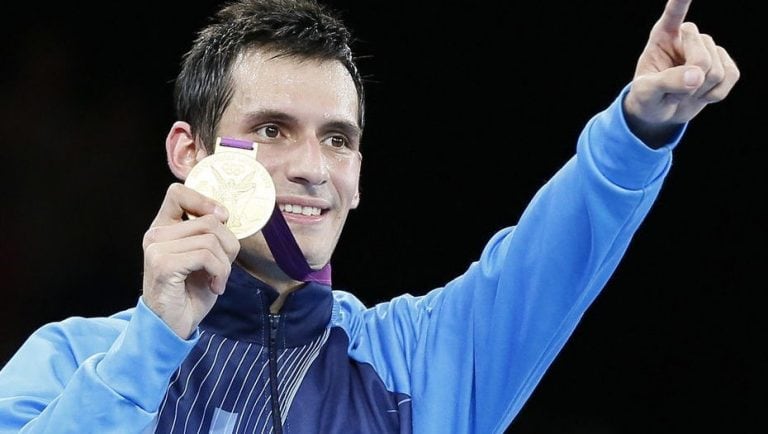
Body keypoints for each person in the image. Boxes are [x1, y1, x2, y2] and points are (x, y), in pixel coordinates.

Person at [0, 0, 739, 432]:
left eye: (337, 139)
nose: (312, 167)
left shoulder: (418, 366)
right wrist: (150, 348)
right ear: (190, 152)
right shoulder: (70, 362)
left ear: (357, 176)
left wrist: (637, 131)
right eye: (270, 130)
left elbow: (559, 251)